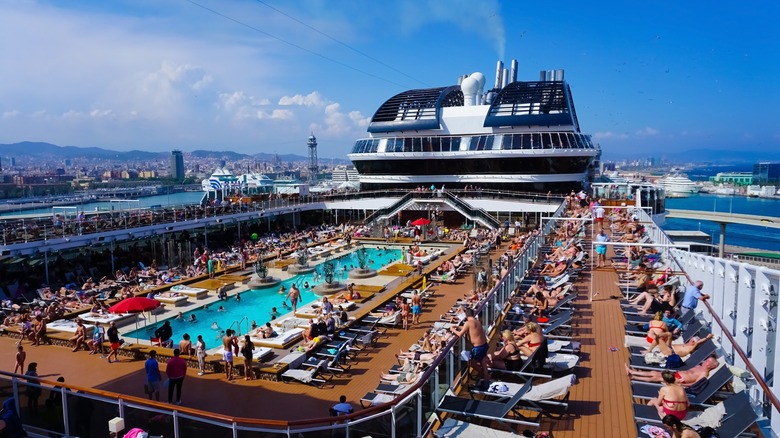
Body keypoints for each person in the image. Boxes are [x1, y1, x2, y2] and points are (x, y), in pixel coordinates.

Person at [450, 307, 490, 385]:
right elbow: (471, 329)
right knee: (483, 363)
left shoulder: (468, 323)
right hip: (484, 345)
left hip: (478, 348)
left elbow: (460, 334)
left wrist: (452, 329)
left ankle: (484, 376)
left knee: (472, 363)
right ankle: (486, 378)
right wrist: (458, 327)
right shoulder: (477, 321)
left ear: (466, 315)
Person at [626, 356, 720, 386]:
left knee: (656, 377)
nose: (705, 361)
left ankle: (634, 376)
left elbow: (695, 383)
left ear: (710, 366)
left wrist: (682, 385)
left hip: (678, 381)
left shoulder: (704, 373)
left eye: (708, 361)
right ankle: (633, 372)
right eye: (707, 359)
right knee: (654, 373)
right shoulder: (699, 366)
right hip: (676, 375)